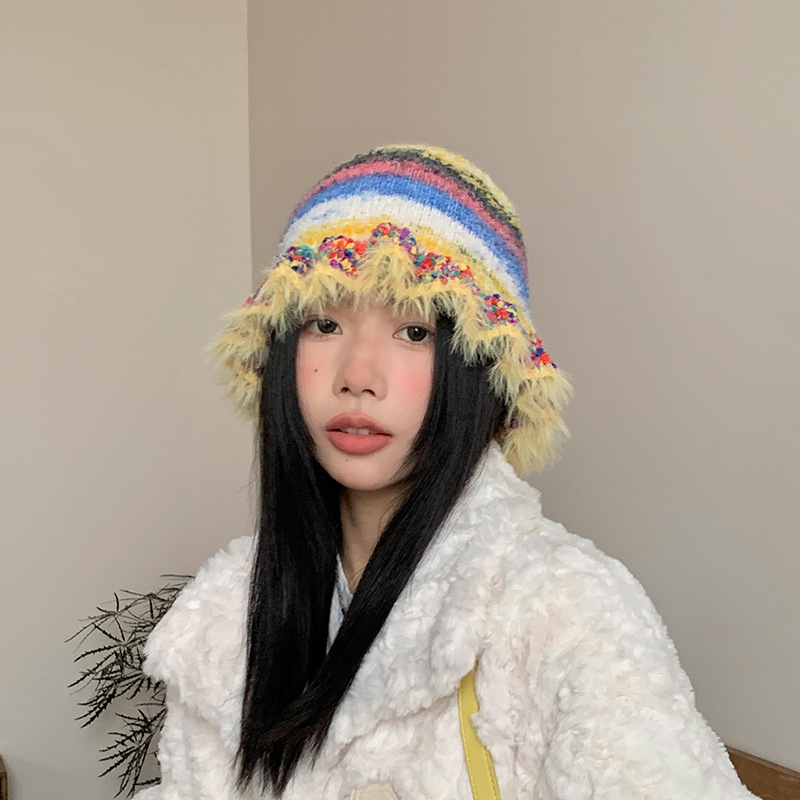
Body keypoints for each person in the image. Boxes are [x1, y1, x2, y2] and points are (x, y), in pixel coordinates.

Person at [135, 145, 756, 799]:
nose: (357, 376)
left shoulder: (560, 606)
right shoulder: (228, 610)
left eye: (414, 331)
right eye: (324, 322)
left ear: (481, 366)